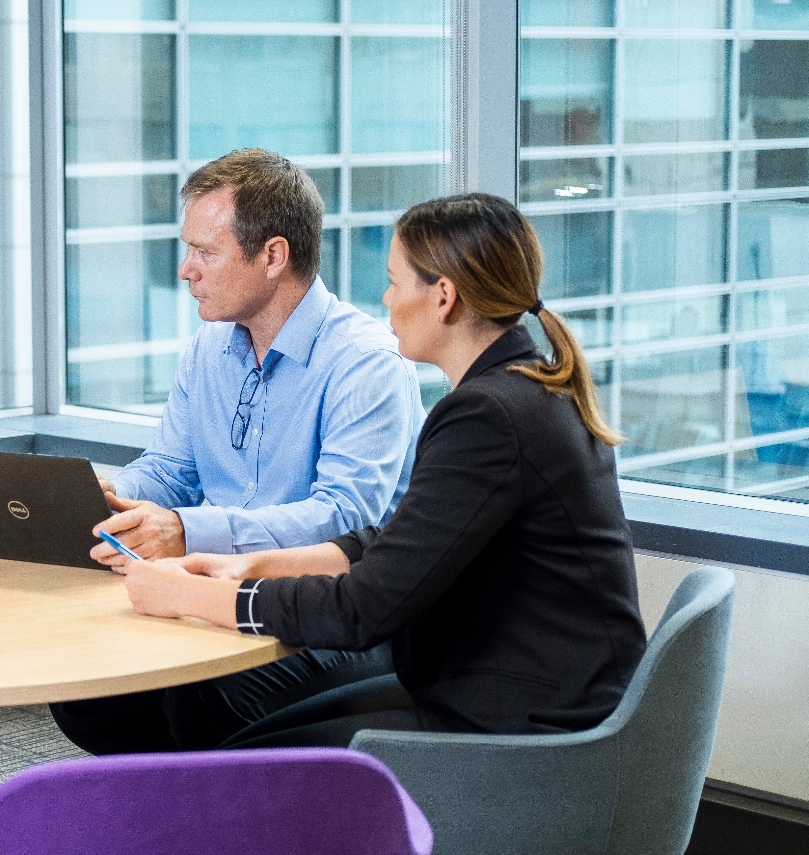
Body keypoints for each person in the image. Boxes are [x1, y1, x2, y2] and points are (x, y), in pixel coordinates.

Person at [122, 193, 648, 747]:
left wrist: (190, 597)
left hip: (522, 727)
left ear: (443, 296)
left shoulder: (488, 417)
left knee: (243, 760)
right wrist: (255, 563)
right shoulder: (522, 390)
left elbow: (362, 609)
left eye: (396, 283)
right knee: (236, 747)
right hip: (517, 694)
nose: (386, 299)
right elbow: (401, 544)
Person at [50, 148, 424, 755]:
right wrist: (117, 497)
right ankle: (186, 802)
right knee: (88, 691)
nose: (185, 270)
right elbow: (172, 468)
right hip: (221, 589)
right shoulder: (208, 348)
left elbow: (345, 517)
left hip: (343, 610)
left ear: (273, 256)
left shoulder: (366, 363)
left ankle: (222, 801)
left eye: (205, 252)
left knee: (207, 698)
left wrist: (187, 531)